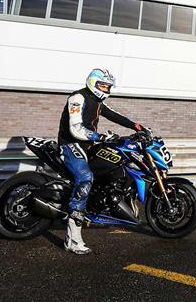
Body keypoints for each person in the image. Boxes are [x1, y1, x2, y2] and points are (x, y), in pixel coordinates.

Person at [58, 68, 150, 255]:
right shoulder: (77, 98)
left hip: (88, 145)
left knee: (115, 166)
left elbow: (114, 115)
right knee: (85, 178)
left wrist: (136, 126)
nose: (106, 89)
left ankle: (97, 205)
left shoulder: (98, 102)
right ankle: (73, 239)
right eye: (103, 85)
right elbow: (75, 129)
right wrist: (100, 137)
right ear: (92, 82)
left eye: (108, 86)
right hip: (70, 144)